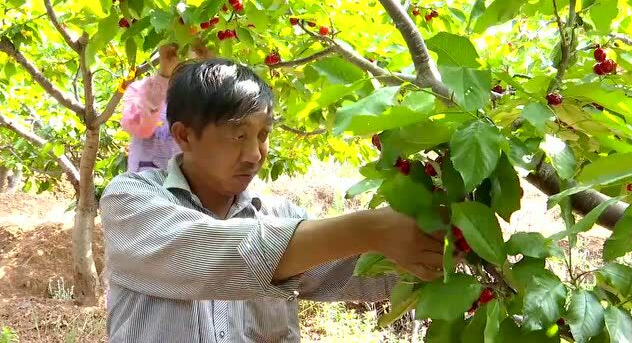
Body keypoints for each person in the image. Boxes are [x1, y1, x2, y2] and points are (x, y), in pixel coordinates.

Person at [99, 58, 445, 342]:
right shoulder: (130, 201)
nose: (254, 154)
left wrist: (437, 242)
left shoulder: (280, 216)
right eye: (238, 135)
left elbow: (359, 270)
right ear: (184, 136)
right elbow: (215, 254)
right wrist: (369, 227)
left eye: (263, 135)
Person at [120, 42, 211, 172]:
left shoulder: (207, 95)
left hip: (189, 186)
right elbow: (137, 127)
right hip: (146, 185)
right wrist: (164, 77)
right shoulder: (142, 90)